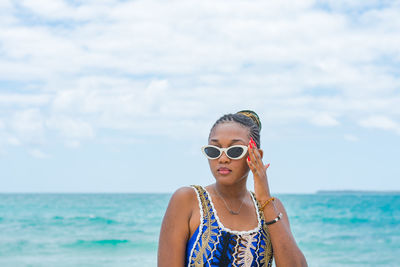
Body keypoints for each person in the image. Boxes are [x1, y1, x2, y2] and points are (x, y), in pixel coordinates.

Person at [158, 110, 307, 267]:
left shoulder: (272, 207)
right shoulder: (187, 200)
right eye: (214, 150)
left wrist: (265, 202)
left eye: (235, 151)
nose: (223, 159)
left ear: (256, 155)